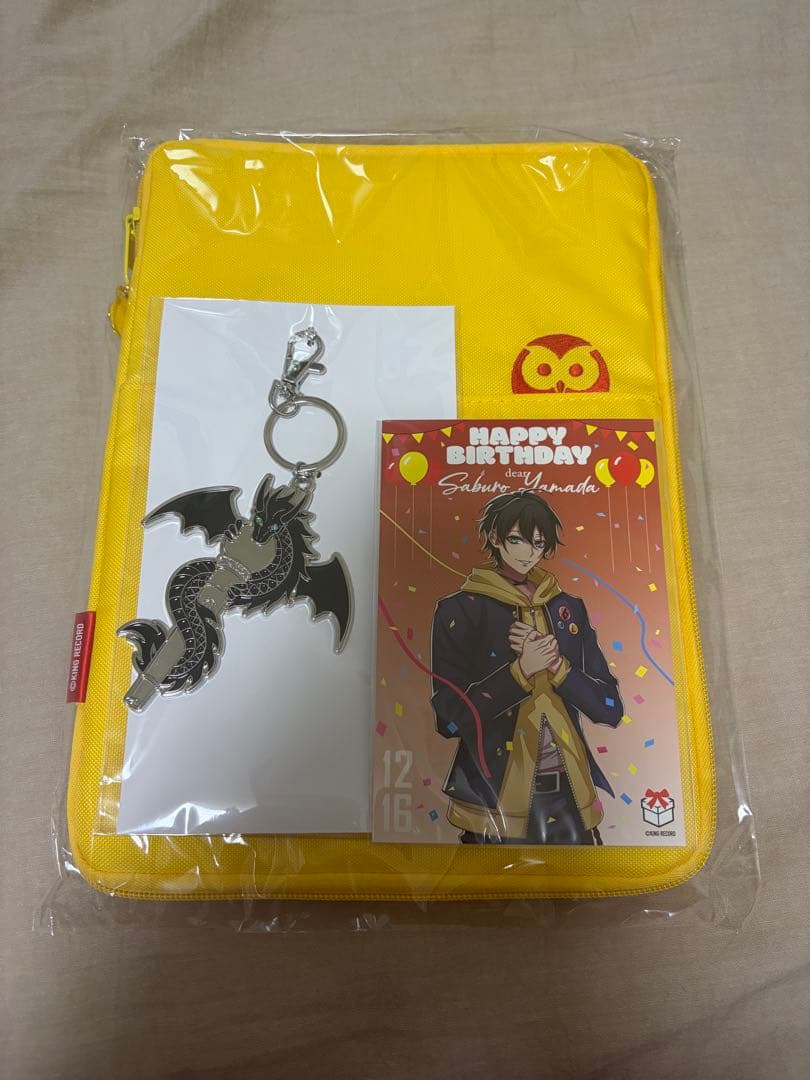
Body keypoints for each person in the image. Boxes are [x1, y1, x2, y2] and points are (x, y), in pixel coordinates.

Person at [430, 490, 623, 845]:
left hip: (571, 797)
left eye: (538, 543)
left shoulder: (568, 609)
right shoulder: (460, 610)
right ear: (494, 538)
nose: (528, 553)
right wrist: (519, 674)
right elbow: (449, 718)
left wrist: (559, 668)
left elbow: (610, 708)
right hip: (492, 803)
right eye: (517, 539)